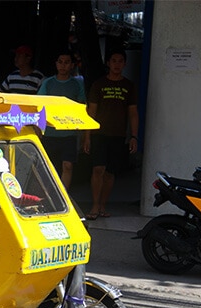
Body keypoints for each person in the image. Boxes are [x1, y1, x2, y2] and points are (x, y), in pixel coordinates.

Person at [83, 48, 139, 220]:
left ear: (124, 64)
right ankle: (94, 205)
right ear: (108, 63)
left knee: (110, 172)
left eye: (120, 61)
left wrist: (134, 136)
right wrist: (87, 136)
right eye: (113, 61)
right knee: (98, 168)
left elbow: (133, 113)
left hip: (118, 134)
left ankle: (102, 205)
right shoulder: (98, 84)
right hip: (99, 134)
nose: (117, 64)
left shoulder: (128, 86)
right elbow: (91, 112)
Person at [37, 50, 86, 190]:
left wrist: (83, 134)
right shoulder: (48, 83)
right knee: (48, 166)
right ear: (56, 64)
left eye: (67, 62)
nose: (63, 65)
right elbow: (39, 106)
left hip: (69, 133)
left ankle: (64, 195)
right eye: (60, 62)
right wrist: (38, 129)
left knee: (68, 165)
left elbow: (81, 107)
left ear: (72, 65)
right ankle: (48, 196)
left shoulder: (77, 84)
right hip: (50, 132)